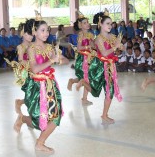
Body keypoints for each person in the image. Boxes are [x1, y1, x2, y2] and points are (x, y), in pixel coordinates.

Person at [13, 19, 68, 154]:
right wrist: (51, 60)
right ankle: (29, 127)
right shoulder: (31, 49)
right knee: (40, 118)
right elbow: (35, 69)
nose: (46, 33)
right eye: (42, 30)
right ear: (34, 32)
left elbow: (64, 60)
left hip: (50, 85)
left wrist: (60, 59)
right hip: (37, 86)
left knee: (55, 116)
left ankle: (36, 138)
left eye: (47, 30)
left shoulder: (49, 47)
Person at [77, 14, 123, 124]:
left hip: (111, 67)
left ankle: (104, 115)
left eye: (111, 23)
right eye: (107, 23)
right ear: (100, 24)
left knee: (109, 91)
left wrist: (121, 45)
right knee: (96, 91)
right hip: (100, 67)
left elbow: (121, 47)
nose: (110, 25)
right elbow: (105, 53)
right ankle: (84, 83)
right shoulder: (98, 39)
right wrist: (115, 46)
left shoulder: (112, 36)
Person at [67, 14, 95, 106]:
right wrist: (88, 46)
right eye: (85, 23)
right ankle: (84, 98)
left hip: (89, 57)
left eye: (87, 22)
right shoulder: (81, 34)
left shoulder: (90, 34)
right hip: (83, 58)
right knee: (86, 79)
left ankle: (72, 81)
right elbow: (79, 48)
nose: (87, 24)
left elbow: (92, 45)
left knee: (85, 78)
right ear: (81, 25)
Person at [10, 21, 33, 116]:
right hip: (26, 71)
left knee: (34, 92)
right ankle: (30, 113)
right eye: (28, 33)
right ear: (22, 34)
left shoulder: (33, 45)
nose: (31, 35)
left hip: (34, 70)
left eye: (31, 33)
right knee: (30, 92)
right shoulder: (21, 47)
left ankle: (21, 103)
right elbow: (20, 60)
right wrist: (30, 65)